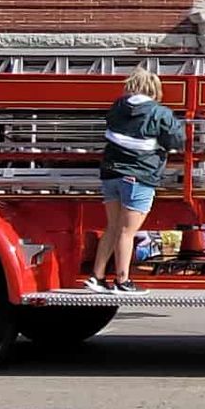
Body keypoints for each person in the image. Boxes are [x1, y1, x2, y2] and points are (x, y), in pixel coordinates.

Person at [85, 67, 185, 294]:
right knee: (126, 232)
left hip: (110, 174)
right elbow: (177, 140)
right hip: (138, 176)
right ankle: (122, 281)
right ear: (154, 89)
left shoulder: (117, 108)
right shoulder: (160, 113)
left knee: (112, 228)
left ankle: (97, 277)